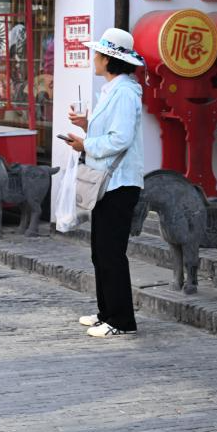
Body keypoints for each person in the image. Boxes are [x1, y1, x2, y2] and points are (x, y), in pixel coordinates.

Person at [62, 28, 144, 338]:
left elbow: (120, 138)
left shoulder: (124, 93)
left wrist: (86, 143)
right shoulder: (114, 90)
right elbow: (112, 132)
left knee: (111, 252)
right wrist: (87, 125)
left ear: (108, 59)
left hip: (119, 182)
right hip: (109, 181)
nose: (94, 58)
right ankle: (106, 312)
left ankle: (121, 320)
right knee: (101, 250)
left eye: (97, 54)